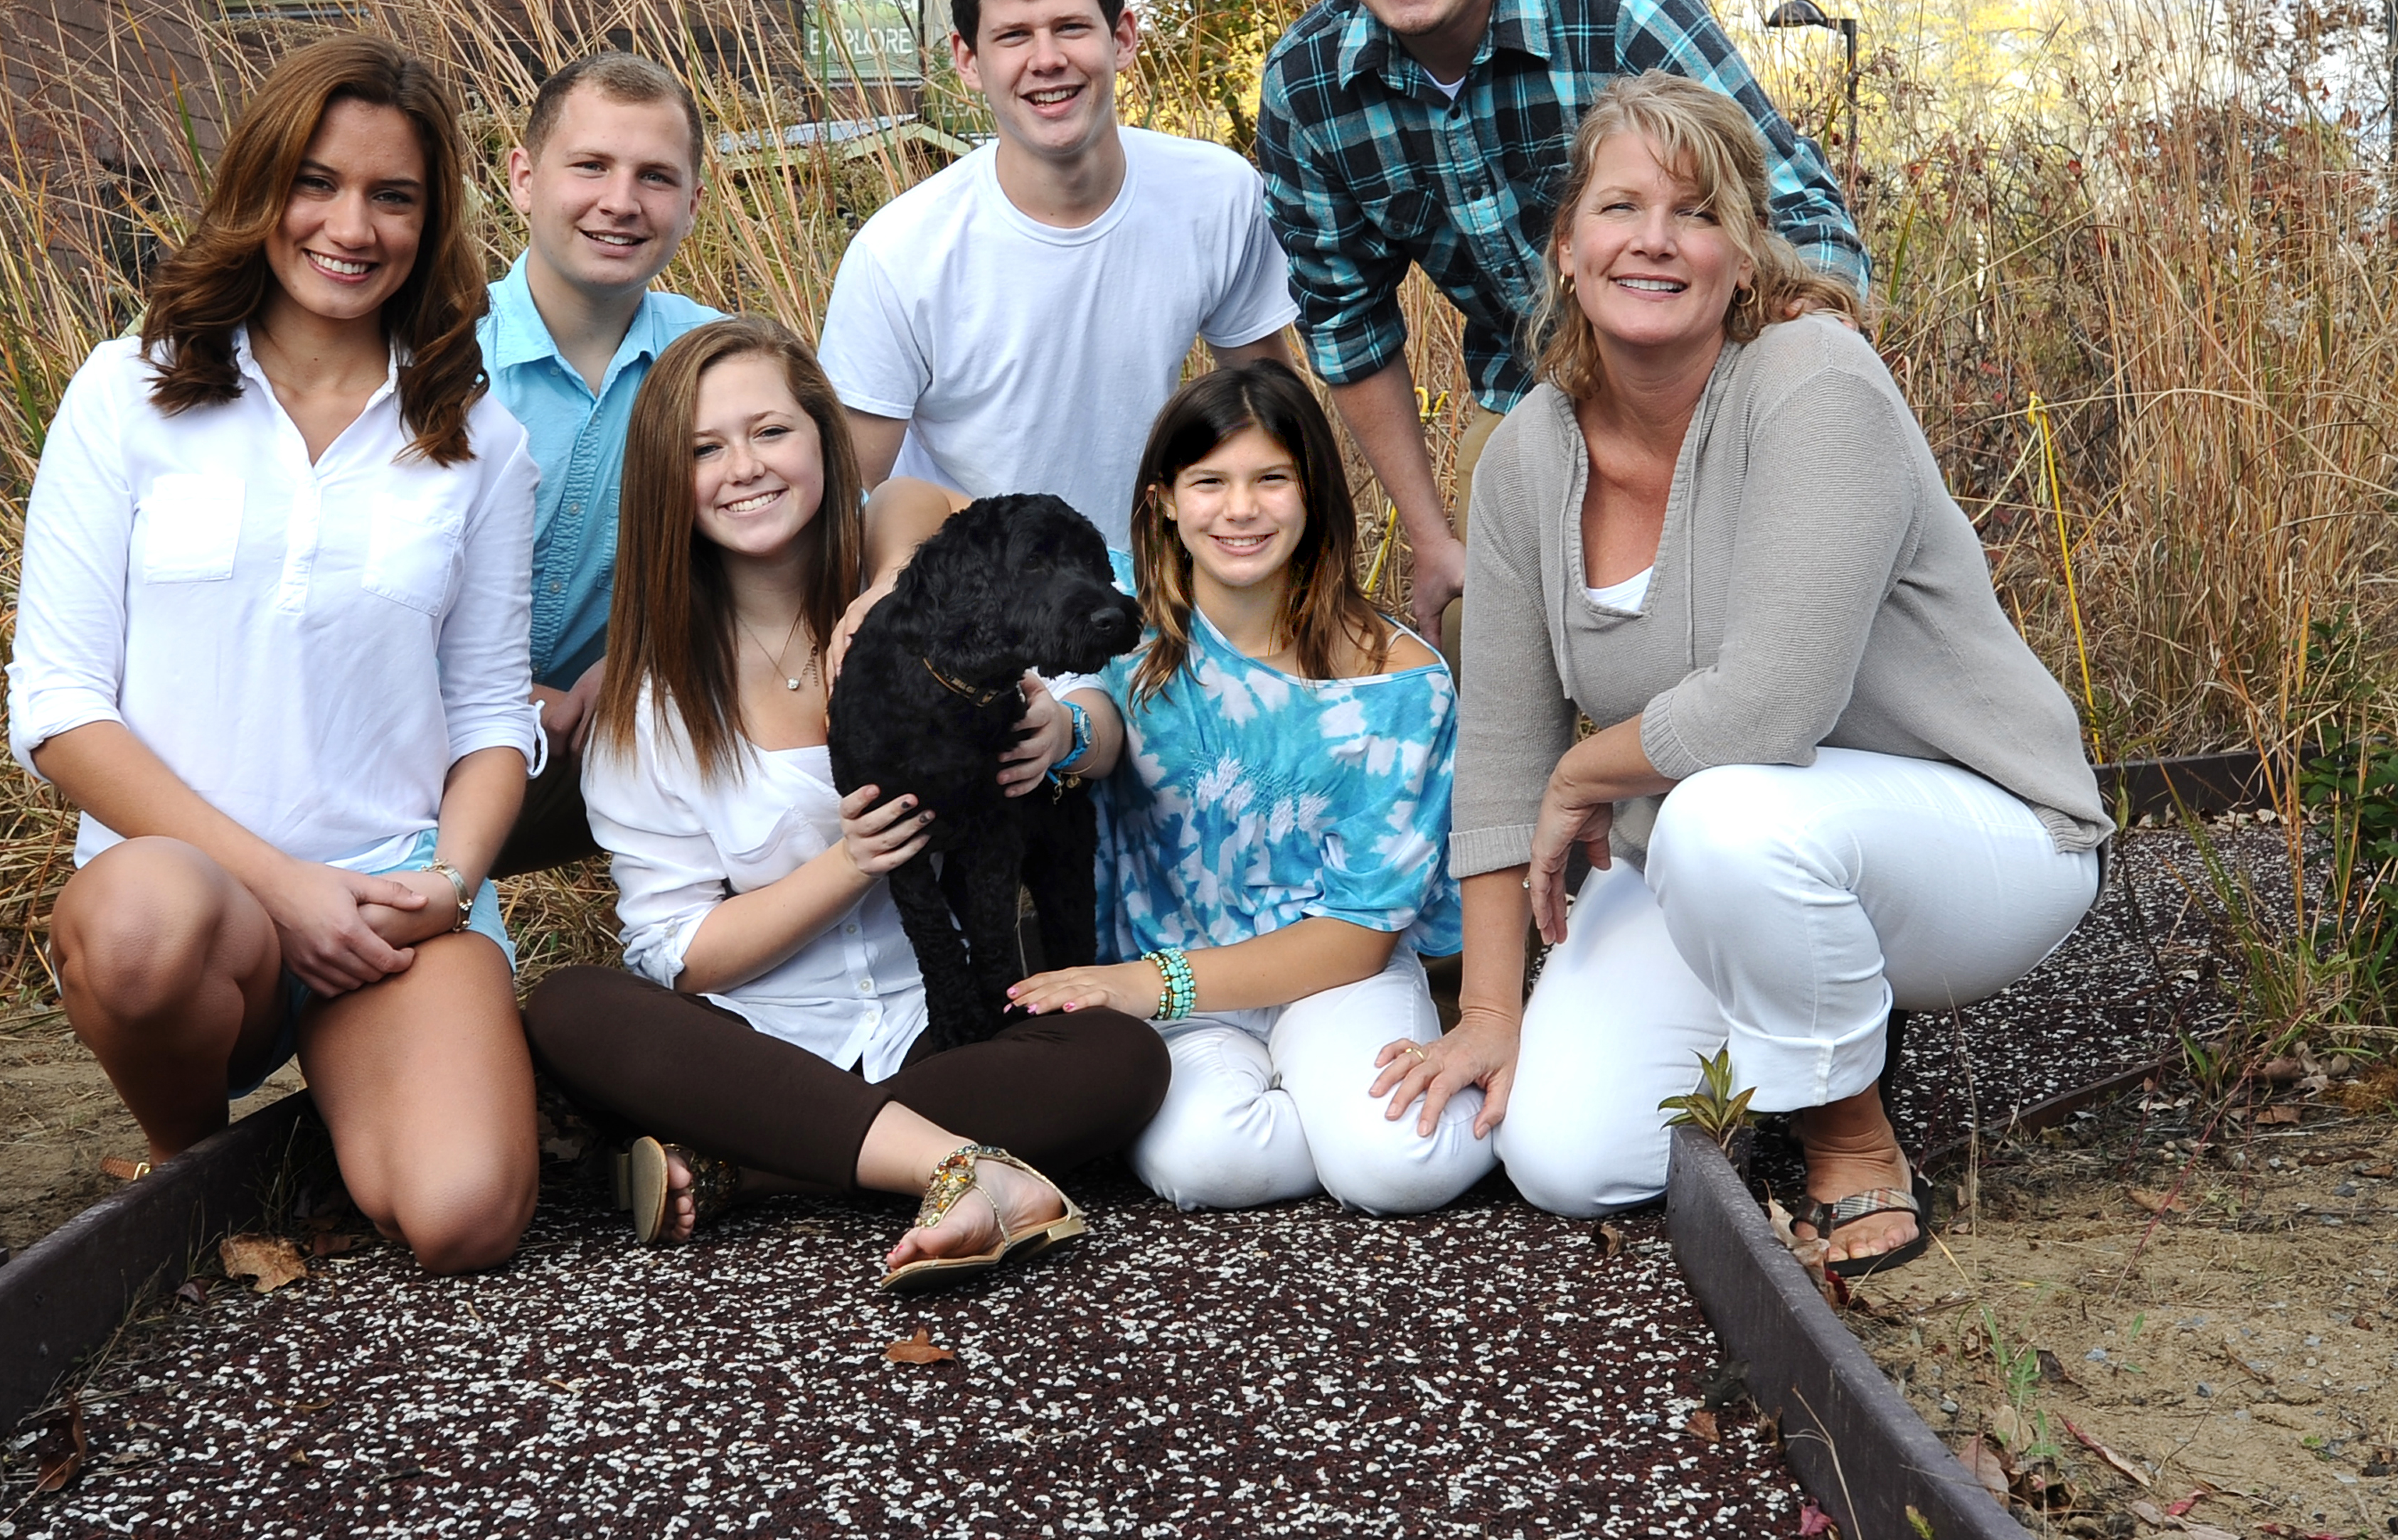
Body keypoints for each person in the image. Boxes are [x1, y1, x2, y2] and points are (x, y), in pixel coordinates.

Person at [1375, 73, 2105, 1272]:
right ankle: (1797, 1012)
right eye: (1619, 208)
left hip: (1972, 838)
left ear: (1742, 254)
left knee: (1728, 814)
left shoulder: (1813, 381)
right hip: (1715, 853)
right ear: (1566, 248)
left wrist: (1585, 769)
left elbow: (1774, 705)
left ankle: (1849, 1134)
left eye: (1696, 212)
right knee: (1568, 1157)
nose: (1653, 241)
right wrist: (1493, 1014)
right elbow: (1503, 750)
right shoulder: (1521, 460)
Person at [11, 35, 544, 1274]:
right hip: (199, 909)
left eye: (392, 195)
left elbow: (490, 716)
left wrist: (451, 883)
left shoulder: (475, 437)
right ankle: (197, 1172)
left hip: (386, 904)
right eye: (317, 181)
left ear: (433, 216)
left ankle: (350, 1104)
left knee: (466, 1216)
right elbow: (57, 705)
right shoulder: (126, 393)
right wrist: (276, 885)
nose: (349, 225)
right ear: (261, 187)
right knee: (140, 924)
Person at [521, 317, 1170, 1288]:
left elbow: (947, 522)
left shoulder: (921, 611)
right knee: (575, 1007)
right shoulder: (651, 703)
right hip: (753, 1047)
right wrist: (851, 862)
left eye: (771, 432)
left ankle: (760, 1165)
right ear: (668, 479)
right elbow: (682, 957)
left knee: (1124, 1058)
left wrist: (1059, 729)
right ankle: (951, 1162)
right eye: (705, 449)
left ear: (824, 440)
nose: (744, 468)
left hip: (934, 1030)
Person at [1257, 0, 1870, 654]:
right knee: (1475, 627)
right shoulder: (1308, 84)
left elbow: (1801, 214)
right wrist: (1433, 540)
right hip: (1528, 388)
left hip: (1715, 373)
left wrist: (1796, 407)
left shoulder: (1620, 11)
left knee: (1766, 634)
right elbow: (1344, 322)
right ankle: (1538, 789)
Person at [1008, 362, 1495, 1216]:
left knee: (1396, 1170)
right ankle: (1322, 1118)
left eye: (1271, 479)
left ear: (1312, 495)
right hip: (1177, 986)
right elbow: (1097, 715)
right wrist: (1062, 734)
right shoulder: (1121, 616)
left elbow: (1353, 938)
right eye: (1210, 482)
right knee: (1209, 1164)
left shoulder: (1399, 687)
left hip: (1330, 980)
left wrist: (1141, 987)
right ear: (1163, 498)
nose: (1240, 510)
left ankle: (1512, 1093)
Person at [819, 0, 1298, 539]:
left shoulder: (1218, 195)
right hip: (978, 592)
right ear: (967, 59)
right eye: (1013, 36)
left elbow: (1268, 414)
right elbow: (851, 495)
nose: (1046, 60)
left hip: (1163, 575)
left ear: (1122, 37)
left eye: (1071, 27)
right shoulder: (899, 253)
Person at [477, 51, 728, 874]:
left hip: (611, 745)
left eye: (655, 177)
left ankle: (761, 977)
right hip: (404, 738)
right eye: (589, 167)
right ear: (522, 177)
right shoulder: (430, 356)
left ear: (692, 203)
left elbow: (821, 548)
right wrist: (506, 701)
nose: (619, 203)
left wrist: (640, 671)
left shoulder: (721, 363)